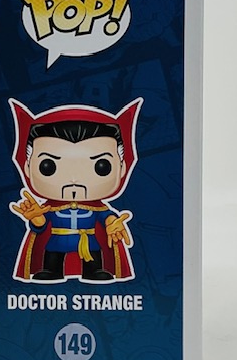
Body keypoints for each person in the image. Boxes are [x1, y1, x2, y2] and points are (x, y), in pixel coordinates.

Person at [9, 98, 142, 283]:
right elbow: (41, 226)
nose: (73, 180)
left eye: (101, 166)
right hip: (56, 241)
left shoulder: (98, 209)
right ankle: (50, 270)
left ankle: (95, 271)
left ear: (122, 168)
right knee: (52, 259)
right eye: (48, 166)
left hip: (90, 241)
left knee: (94, 262)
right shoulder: (47, 208)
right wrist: (37, 220)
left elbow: (106, 217)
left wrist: (113, 223)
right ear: (27, 167)